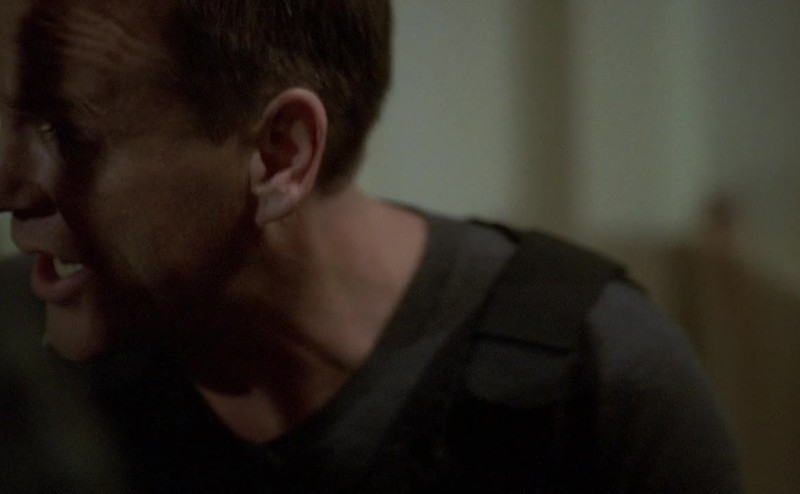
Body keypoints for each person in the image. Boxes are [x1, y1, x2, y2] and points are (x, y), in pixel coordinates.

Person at [0, 0, 742, 492]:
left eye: (65, 131)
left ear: (281, 155)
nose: (8, 184)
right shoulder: (22, 366)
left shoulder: (598, 385)